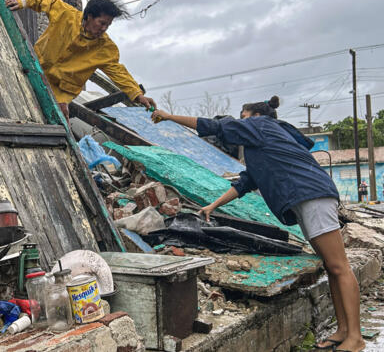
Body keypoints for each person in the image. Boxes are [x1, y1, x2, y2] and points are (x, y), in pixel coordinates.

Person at [152, 96, 365, 352]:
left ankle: (356, 337)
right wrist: (212, 206)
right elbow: (245, 183)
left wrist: (168, 116)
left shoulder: (260, 125)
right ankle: (343, 330)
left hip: (311, 195)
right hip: (305, 197)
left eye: (242, 115)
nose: (239, 122)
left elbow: (215, 126)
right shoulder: (263, 144)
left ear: (252, 115)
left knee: (339, 266)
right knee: (332, 267)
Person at [5, 0, 156, 119]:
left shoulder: (105, 48)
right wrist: (22, 1)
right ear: (89, 16)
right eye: (101, 23)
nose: (104, 29)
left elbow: (119, 73)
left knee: (59, 119)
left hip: (60, 91)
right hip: (35, 67)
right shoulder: (66, 15)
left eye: (108, 25)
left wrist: (137, 95)